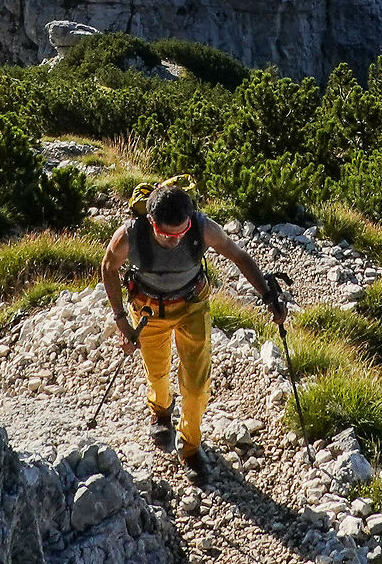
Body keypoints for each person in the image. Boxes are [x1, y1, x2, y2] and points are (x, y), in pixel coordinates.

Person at [101, 177, 287, 474]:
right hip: (148, 310)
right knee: (158, 372)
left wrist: (268, 295)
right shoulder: (128, 235)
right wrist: (121, 320)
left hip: (192, 306)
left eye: (182, 232)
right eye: (166, 234)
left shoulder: (203, 227)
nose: (175, 240)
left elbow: (238, 256)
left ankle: (190, 445)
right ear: (151, 221)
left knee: (198, 387)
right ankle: (160, 411)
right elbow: (108, 268)